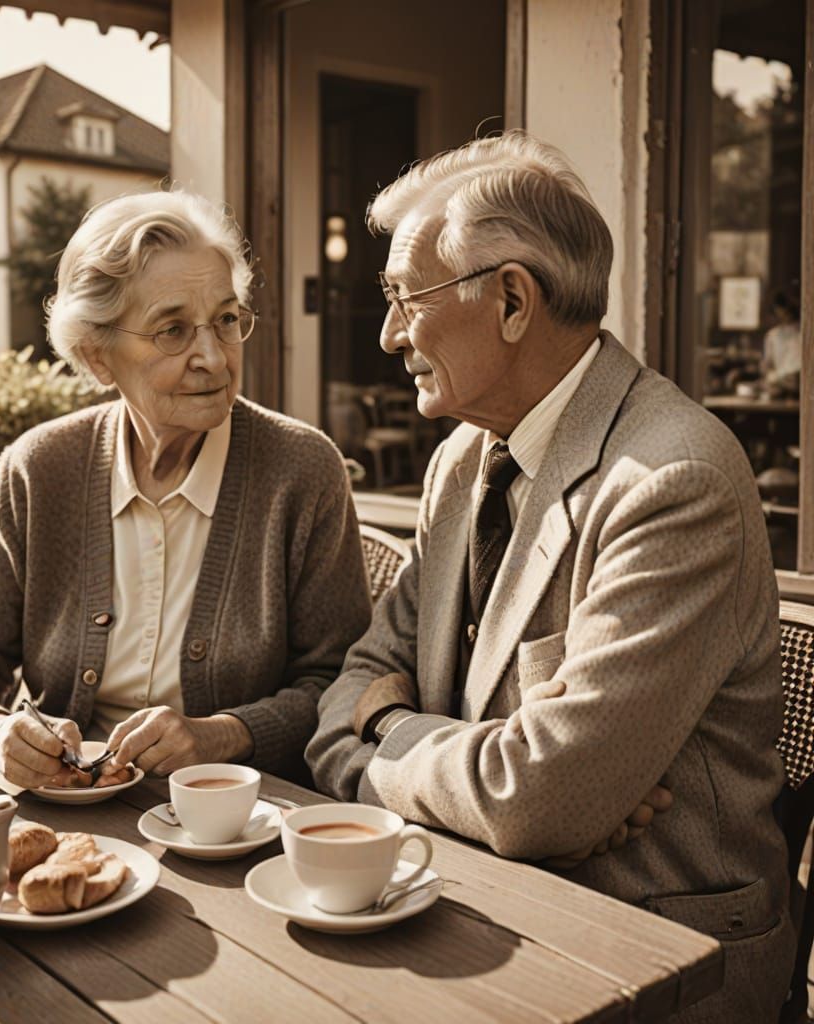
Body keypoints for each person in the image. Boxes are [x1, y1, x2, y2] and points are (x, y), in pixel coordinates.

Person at [306, 131, 793, 1022]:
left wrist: (392, 725)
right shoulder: (462, 462)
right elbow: (339, 706)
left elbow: (536, 802)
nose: (387, 334)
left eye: (404, 298)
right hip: (474, 913)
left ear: (514, 301)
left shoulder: (676, 480)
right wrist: (411, 737)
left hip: (653, 964)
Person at [0, 190, 371, 790]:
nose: (213, 358)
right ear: (98, 358)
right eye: (172, 330)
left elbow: (342, 681)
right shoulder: (40, 469)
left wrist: (221, 733)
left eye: (226, 320)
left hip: (234, 821)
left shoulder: (301, 470)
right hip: (62, 818)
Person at [762, 289, 801, 396]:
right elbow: (767, 366)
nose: (783, 316)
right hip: (780, 387)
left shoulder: (804, 334)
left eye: (786, 312)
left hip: (800, 385)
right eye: (778, 312)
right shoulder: (772, 335)